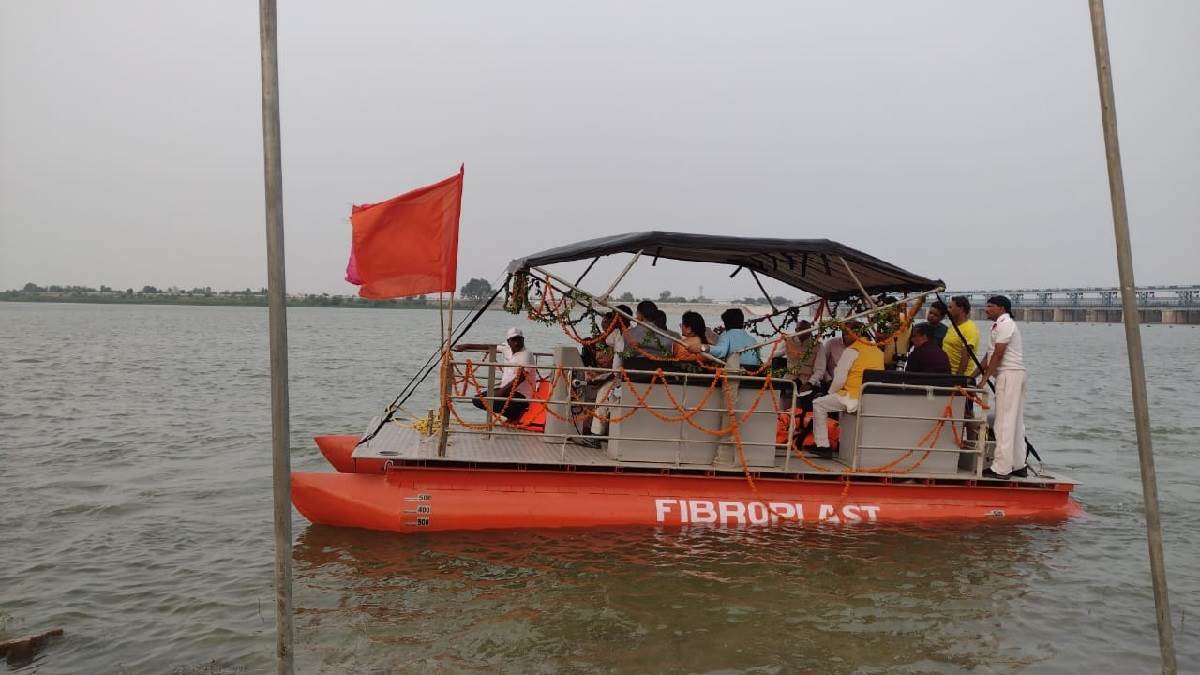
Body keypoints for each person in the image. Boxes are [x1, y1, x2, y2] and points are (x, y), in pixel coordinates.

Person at [807, 323, 885, 458]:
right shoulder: (878, 351)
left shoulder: (852, 351)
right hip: (871, 398)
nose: (844, 337)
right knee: (835, 404)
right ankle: (841, 443)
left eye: (846, 334)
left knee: (819, 404)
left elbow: (839, 379)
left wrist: (830, 393)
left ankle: (822, 445)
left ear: (854, 334)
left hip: (853, 397)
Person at [976, 295, 1027, 479]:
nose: (986, 309)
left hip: (1008, 374)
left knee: (1003, 422)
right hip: (1013, 374)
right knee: (1015, 422)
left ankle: (1001, 468)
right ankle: (1018, 465)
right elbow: (989, 355)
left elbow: (998, 354)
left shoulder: (1005, 324)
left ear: (1001, 308)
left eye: (990, 306)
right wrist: (973, 376)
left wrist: (984, 380)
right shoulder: (1000, 324)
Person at [455, 327, 537, 422]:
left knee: (491, 401)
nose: (517, 343)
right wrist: (467, 346)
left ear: (523, 339)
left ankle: (514, 414)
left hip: (521, 396)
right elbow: (489, 347)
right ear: (508, 341)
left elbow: (520, 378)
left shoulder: (526, 354)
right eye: (513, 340)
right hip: (506, 392)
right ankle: (511, 415)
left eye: (519, 339)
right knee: (477, 399)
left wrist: (500, 393)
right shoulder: (507, 348)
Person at [688, 308, 761, 368]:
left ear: (726, 323)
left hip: (735, 374)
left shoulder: (726, 335)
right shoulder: (753, 340)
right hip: (754, 374)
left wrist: (703, 347)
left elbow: (721, 351)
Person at [941, 295, 980, 376]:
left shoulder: (969, 328)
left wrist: (958, 379)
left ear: (961, 309)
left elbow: (965, 356)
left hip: (960, 377)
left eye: (950, 307)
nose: (948, 310)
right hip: (947, 374)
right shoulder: (953, 326)